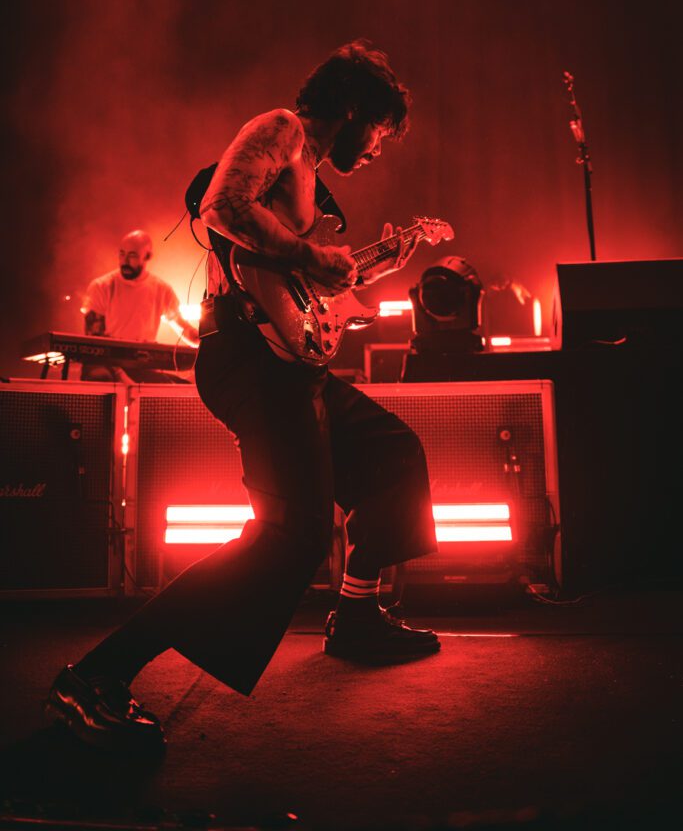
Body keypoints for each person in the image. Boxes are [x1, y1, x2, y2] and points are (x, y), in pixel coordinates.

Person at [46, 41, 440, 754]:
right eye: (380, 131)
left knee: (393, 456)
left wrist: (367, 269)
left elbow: (295, 284)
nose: (377, 149)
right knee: (289, 537)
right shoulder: (281, 130)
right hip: (248, 361)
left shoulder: (309, 179)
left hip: (289, 364)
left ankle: (356, 616)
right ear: (353, 108)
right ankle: (96, 675)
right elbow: (222, 206)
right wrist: (310, 255)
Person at [80, 229, 198, 382]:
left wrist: (205, 343)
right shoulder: (101, 286)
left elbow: (183, 328)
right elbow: (94, 342)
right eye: (122, 254)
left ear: (147, 256)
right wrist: (120, 375)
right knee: (100, 376)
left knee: (182, 388)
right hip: (105, 365)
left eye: (132, 255)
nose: (125, 261)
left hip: (141, 365)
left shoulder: (161, 289)